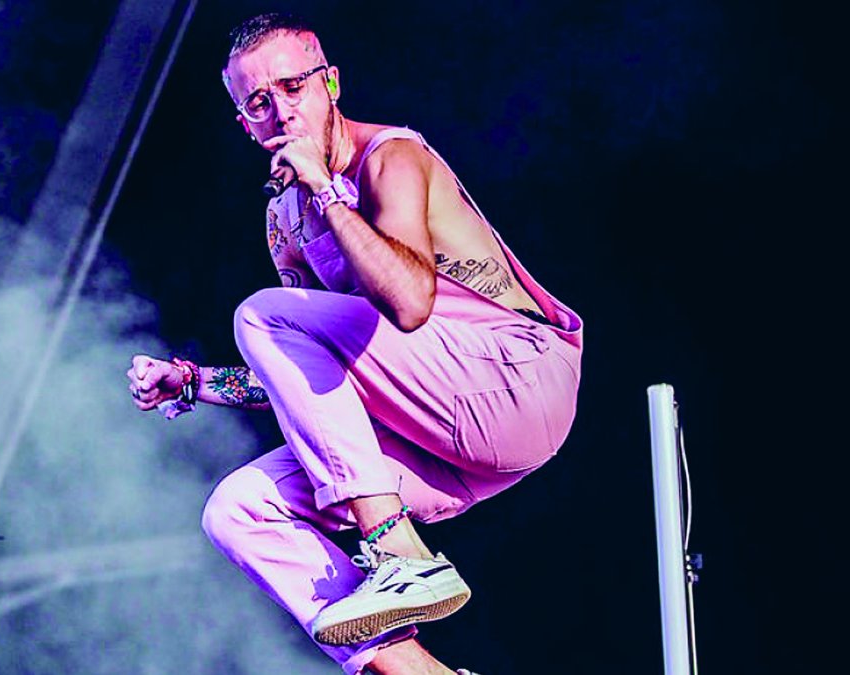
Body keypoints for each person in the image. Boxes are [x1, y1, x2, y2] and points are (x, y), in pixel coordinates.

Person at [127, 12, 582, 675]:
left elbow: (408, 301)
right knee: (237, 510)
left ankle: (398, 555)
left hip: (517, 382)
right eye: (259, 103)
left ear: (331, 84)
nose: (281, 111)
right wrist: (194, 382)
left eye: (293, 87)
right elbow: (312, 378)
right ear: (245, 125)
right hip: (442, 442)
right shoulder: (284, 222)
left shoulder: (392, 158)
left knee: (261, 313)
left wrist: (323, 186)